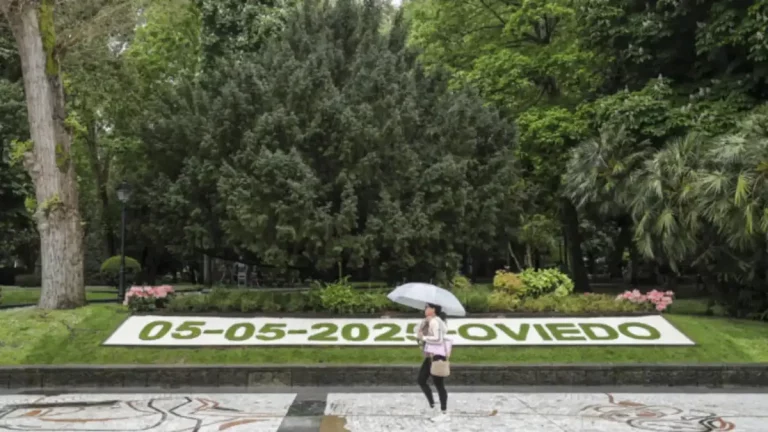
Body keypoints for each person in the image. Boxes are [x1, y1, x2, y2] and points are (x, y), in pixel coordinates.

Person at [416, 303, 449, 422]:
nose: (425, 309)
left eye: (427, 307)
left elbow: (439, 339)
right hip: (430, 356)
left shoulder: (436, 321)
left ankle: (444, 412)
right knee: (421, 380)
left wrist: (424, 338)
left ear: (433, 310)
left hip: (437, 356)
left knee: (439, 384)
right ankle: (433, 407)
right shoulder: (430, 321)